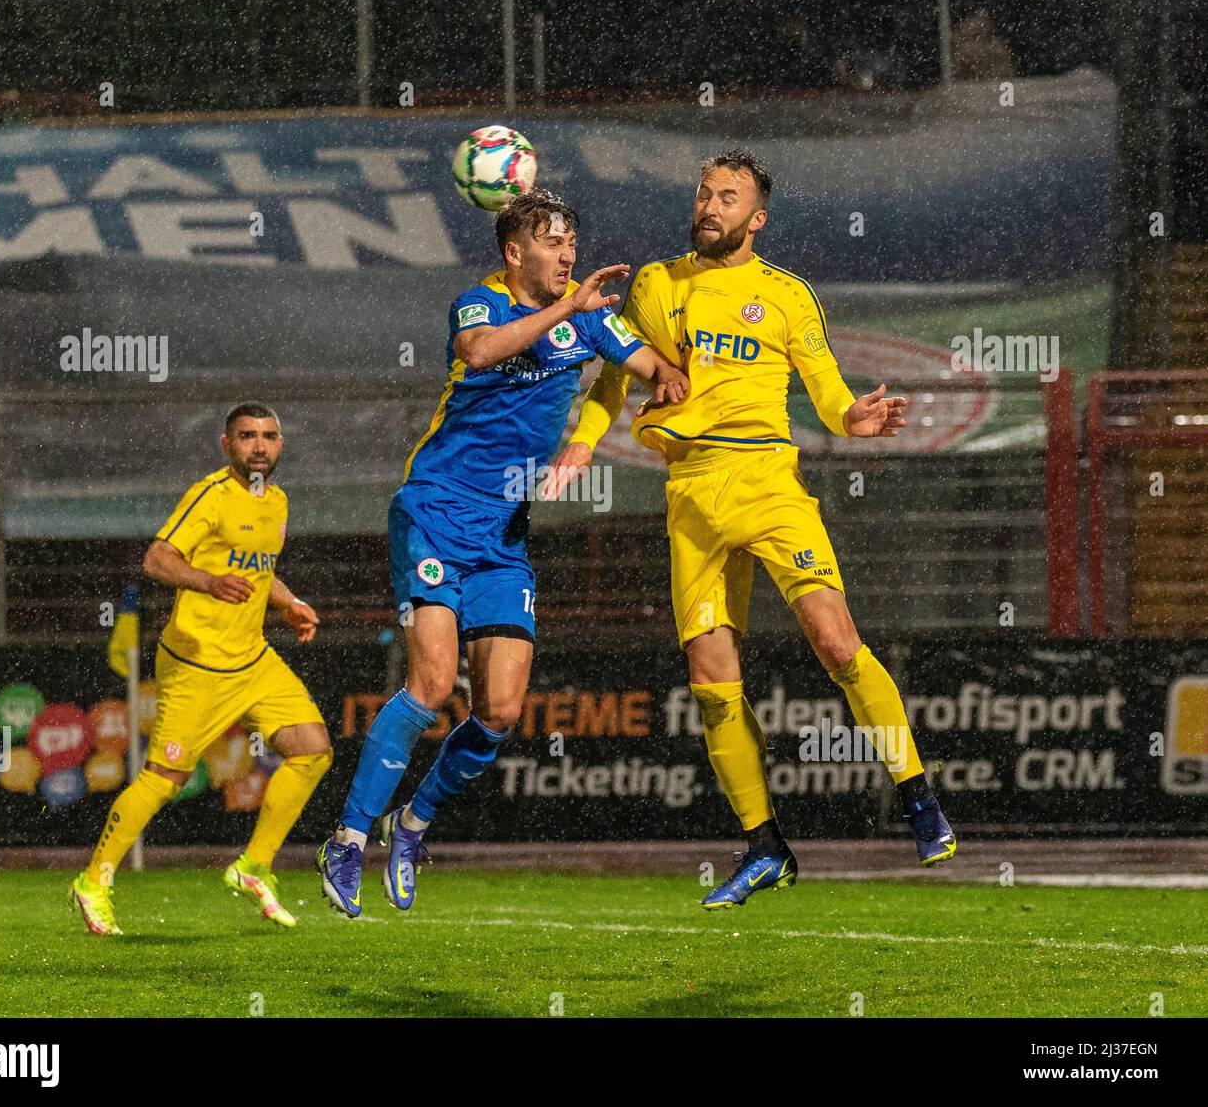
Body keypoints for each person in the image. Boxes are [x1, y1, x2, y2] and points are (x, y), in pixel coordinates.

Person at [548, 150, 956, 909]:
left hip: (768, 481)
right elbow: (612, 372)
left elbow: (830, 393)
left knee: (836, 642)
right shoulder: (656, 283)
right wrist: (581, 438)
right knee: (710, 680)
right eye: (704, 192)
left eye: (728, 197)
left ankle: (915, 796)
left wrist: (853, 419)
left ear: (756, 218)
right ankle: (764, 845)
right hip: (691, 491)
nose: (710, 205)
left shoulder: (786, 296)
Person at [316, 189, 688, 918]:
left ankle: (412, 825)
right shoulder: (481, 304)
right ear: (516, 253)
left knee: (501, 710)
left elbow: (658, 371)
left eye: (572, 242)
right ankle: (348, 839)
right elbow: (480, 353)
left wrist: (656, 394)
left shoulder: (590, 320)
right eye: (554, 243)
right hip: (434, 511)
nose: (569, 255)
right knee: (428, 686)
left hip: (504, 534)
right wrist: (568, 311)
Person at [70, 403, 331, 934]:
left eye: (270, 437)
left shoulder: (277, 502)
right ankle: (93, 882)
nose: (260, 446)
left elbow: (257, 570)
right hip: (197, 664)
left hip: (252, 658)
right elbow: (158, 558)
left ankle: (255, 865)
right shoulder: (210, 495)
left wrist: (287, 602)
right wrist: (205, 581)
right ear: (226, 445)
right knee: (165, 778)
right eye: (247, 436)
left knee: (312, 748)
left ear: (280, 445)